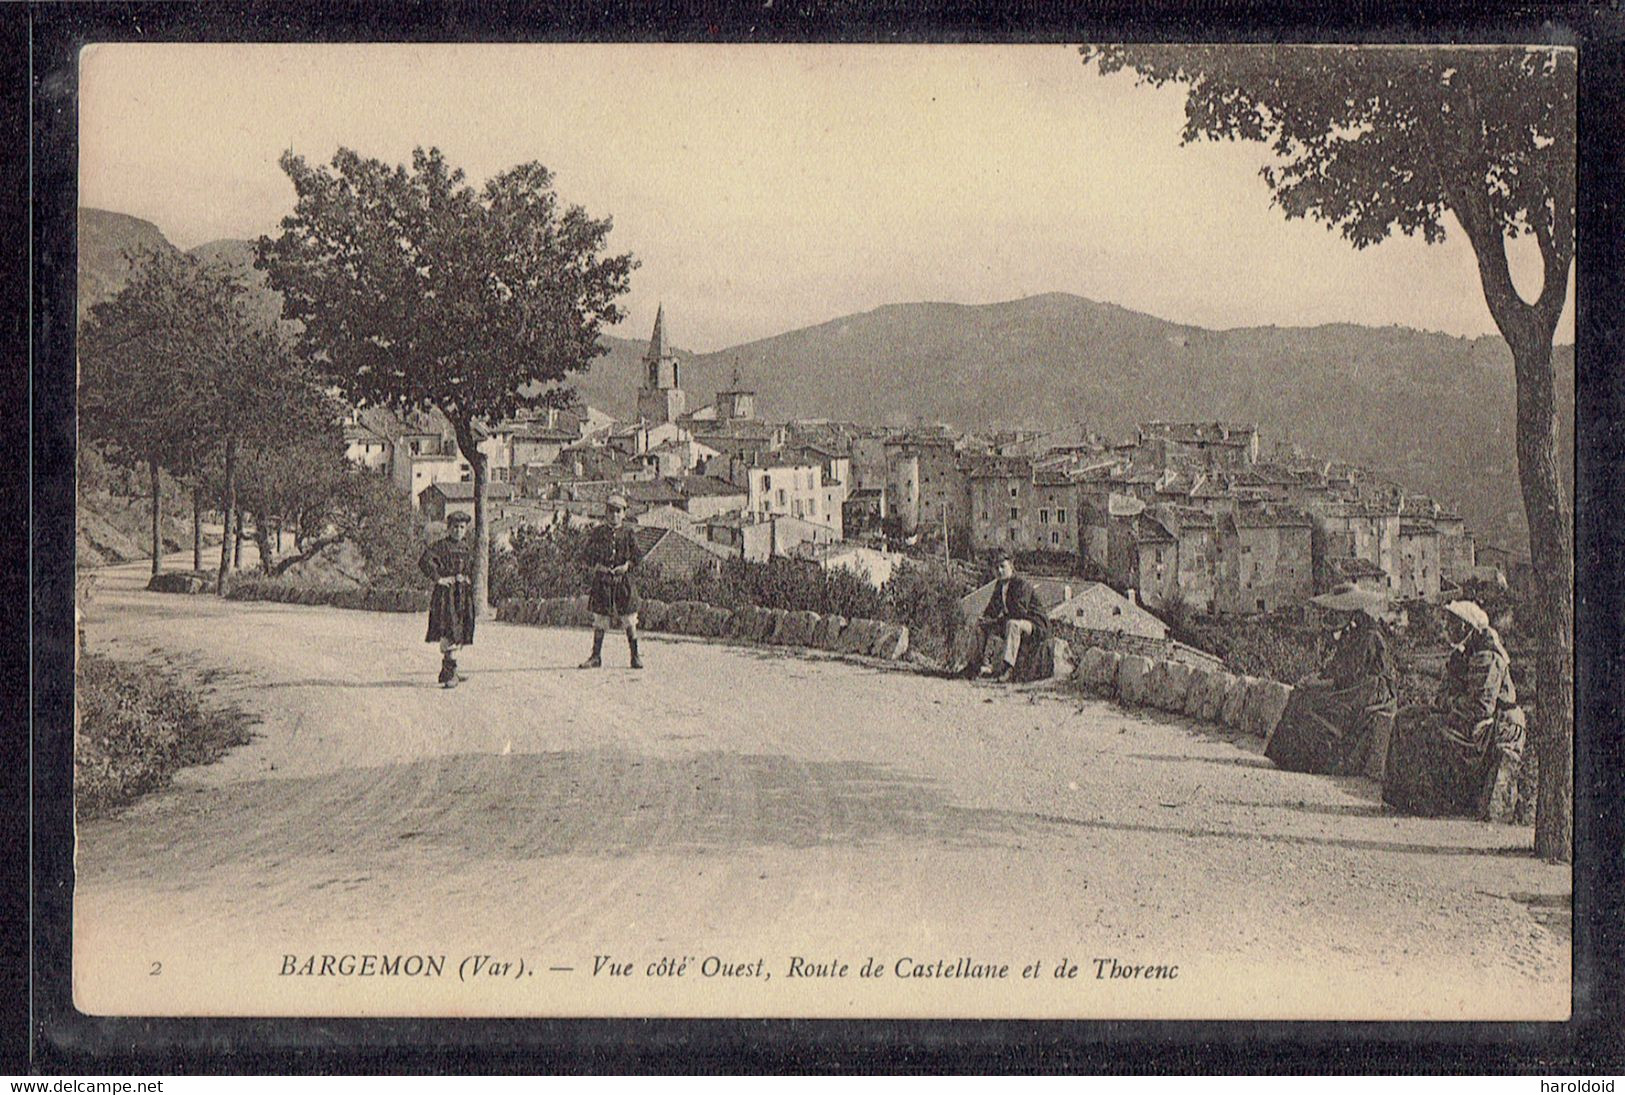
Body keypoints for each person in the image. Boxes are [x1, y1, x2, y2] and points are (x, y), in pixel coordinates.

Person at [1382, 599, 1527, 820]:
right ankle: (1402, 797)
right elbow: (1443, 695)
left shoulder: (1487, 656)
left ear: (1465, 627)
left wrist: (1449, 704)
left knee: (1430, 729)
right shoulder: (1461, 653)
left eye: (1452, 623)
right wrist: (1450, 703)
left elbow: (1479, 707)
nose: (1447, 628)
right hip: (1466, 717)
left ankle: (1432, 803)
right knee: (1405, 717)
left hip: (1493, 727)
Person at [1264, 585, 1397, 775]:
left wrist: (1319, 684)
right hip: (1353, 686)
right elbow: (1336, 668)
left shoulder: (1369, 636)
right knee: (1300, 694)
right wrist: (1316, 678)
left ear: (1349, 612)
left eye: (1337, 612)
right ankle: (1290, 758)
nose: (1332, 615)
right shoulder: (1352, 633)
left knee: (1314, 701)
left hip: (1368, 691)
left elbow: (1349, 677)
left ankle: (1315, 761)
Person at [961, 550, 1051, 683]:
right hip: (1016, 621)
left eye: (1003, 566)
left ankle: (1008, 668)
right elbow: (992, 609)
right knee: (980, 626)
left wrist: (997, 621)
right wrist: (985, 619)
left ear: (1011, 565)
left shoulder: (1021, 584)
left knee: (1013, 624)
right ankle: (973, 665)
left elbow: (1020, 612)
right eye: (996, 568)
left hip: (1034, 624)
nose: (999, 570)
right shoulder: (999, 586)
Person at [580, 494, 643, 669]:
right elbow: (586, 555)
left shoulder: (629, 533)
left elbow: (638, 557)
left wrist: (627, 566)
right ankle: (595, 657)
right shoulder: (598, 533)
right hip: (603, 581)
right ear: (605, 512)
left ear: (624, 513)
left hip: (623, 581)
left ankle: (635, 656)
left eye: (618, 511)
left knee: (629, 619)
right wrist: (597, 566)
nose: (614, 515)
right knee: (600, 619)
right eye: (610, 511)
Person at [418, 509, 477, 688]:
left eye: (461, 527)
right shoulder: (440, 546)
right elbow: (424, 562)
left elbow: (471, 568)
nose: (458, 531)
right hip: (446, 596)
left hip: (462, 595)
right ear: (448, 528)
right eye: (455, 527)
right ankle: (449, 673)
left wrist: (466, 578)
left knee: (460, 629)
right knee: (450, 629)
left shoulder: (466, 548)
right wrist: (439, 579)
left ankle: (451, 670)